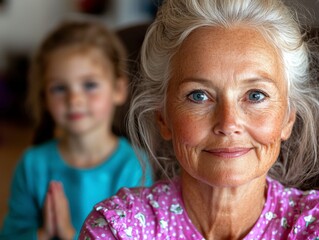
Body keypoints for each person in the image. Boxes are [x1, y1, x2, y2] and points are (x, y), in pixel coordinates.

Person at [79, 0, 319, 239]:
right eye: (199, 96)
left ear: (288, 117)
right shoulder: (118, 227)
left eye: (256, 95)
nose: (228, 124)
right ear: (163, 117)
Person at [0, 20, 153, 240]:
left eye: (89, 85)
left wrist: (68, 236)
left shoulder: (135, 168)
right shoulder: (32, 164)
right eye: (60, 88)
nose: (74, 99)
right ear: (45, 97)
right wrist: (44, 235)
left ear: (118, 89)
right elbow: (11, 234)